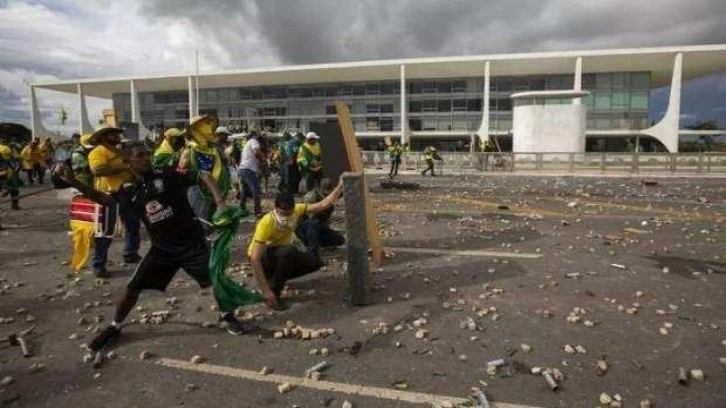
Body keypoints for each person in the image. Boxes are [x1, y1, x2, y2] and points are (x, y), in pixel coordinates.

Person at [55, 141, 252, 353]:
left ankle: (227, 315)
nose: (146, 158)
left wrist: (221, 203)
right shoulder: (129, 190)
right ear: (127, 161)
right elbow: (104, 200)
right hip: (162, 250)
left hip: (191, 243)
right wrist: (73, 181)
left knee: (216, 279)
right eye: (140, 155)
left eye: (147, 154)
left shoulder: (167, 175)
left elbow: (204, 175)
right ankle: (115, 326)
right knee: (132, 288)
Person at [248, 182, 343, 309]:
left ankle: (277, 276)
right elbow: (254, 259)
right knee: (289, 251)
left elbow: (322, 205)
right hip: (263, 258)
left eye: (288, 213)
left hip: (281, 254)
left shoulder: (297, 210)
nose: (285, 217)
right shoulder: (266, 223)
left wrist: (339, 187)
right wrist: (266, 291)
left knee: (315, 262)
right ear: (275, 209)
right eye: (281, 213)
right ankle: (275, 293)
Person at [88, 127, 141, 277]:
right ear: (104, 137)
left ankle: (130, 253)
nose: (118, 136)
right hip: (107, 195)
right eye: (113, 134)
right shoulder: (98, 152)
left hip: (125, 192)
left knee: (133, 224)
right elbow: (98, 171)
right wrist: (122, 167)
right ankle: (99, 264)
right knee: (105, 231)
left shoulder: (118, 151)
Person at [179, 116, 231, 226]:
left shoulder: (211, 149)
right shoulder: (190, 150)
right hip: (199, 192)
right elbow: (181, 172)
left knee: (211, 224)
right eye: (204, 126)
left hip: (214, 192)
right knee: (201, 224)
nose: (209, 130)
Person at [295, 179, 345, 257]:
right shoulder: (311, 197)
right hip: (304, 228)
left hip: (318, 227)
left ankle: (316, 243)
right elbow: (310, 218)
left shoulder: (330, 201)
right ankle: (312, 253)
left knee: (340, 240)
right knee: (314, 223)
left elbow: (325, 220)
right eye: (326, 193)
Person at [238, 131, 264, 217]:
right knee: (256, 190)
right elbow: (256, 152)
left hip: (242, 169)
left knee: (244, 191)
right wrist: (262, 159)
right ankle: (257, 211)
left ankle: (242, 208)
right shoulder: (254, 141)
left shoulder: (247, 143)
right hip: (248, 169)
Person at [0, 134, 21, 210]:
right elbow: (16, 158)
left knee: (14, 189)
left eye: (4, 138)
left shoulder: (10, 148)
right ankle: (14, 204)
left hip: (8, 170)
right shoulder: (9, 148)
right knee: (14, 189)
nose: (3, 139)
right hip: (7, 171)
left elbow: (16, 158)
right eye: (2, 138)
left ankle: (14, 205)